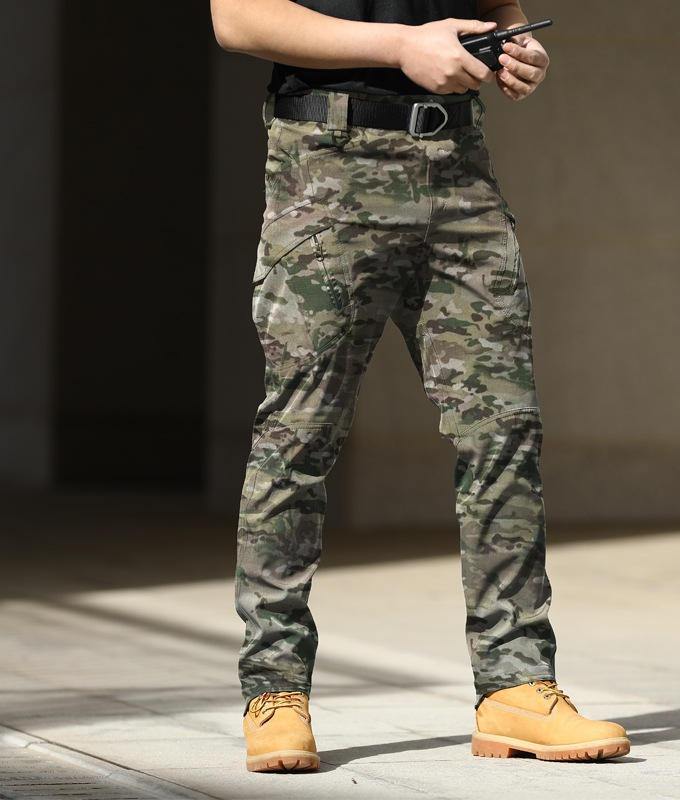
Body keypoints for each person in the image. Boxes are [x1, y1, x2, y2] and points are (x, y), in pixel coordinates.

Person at [210, 0, 630, 773]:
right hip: (327, 166)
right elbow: (238, 18)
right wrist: (402, 46)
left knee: (504, 431)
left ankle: (516, 683)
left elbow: (494, 5)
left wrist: (514, 44)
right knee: (299, 436)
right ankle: (275, 688)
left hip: (458, 167)